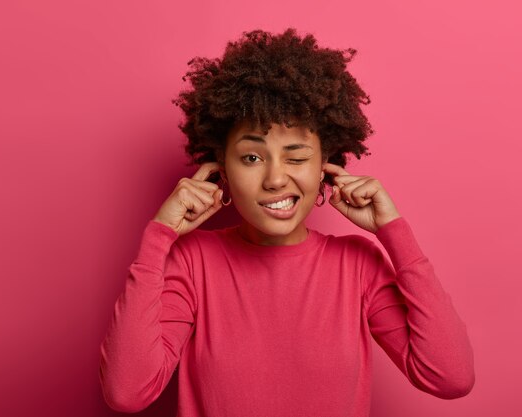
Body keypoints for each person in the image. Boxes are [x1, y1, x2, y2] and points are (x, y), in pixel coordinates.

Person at [99, 28, 475, 416]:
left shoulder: (357, 265)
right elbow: (128, 393)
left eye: (296, 157)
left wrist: (394, 233)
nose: (276, 178)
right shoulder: (193, 263)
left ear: (325, 168)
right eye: (252, 158)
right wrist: (158, 238)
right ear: (220, 168)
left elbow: (449, 377)